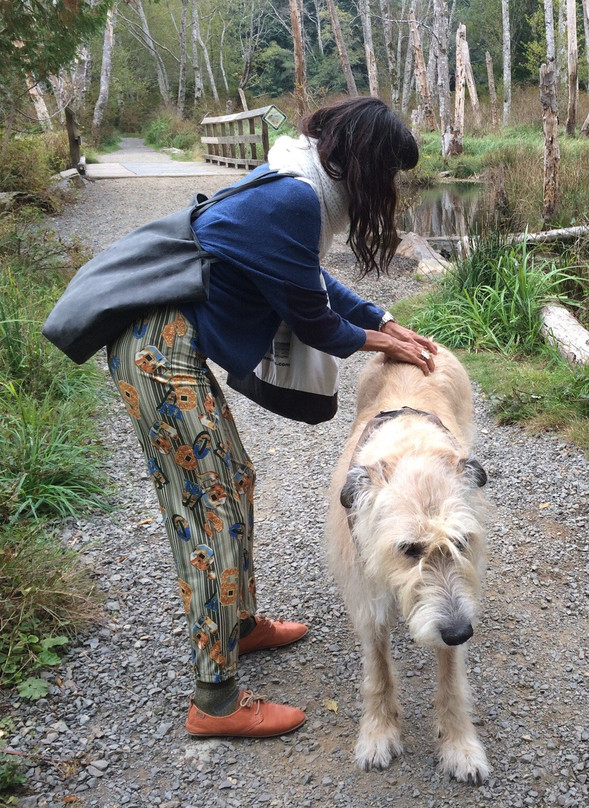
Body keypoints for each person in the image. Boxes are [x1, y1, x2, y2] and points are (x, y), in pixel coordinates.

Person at [105, 97, 437, 739]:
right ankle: (215, 700)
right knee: (212, 506)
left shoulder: (299, 188)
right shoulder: (294, 199)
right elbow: (315, 321)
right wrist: (383, 343)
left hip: (167, 341)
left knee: (237, 479)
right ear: (365, 163)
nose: (391, 188)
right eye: (391, 173)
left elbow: (311, 285)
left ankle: (242, 623)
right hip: (155, 345)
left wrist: (382, 319)